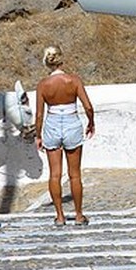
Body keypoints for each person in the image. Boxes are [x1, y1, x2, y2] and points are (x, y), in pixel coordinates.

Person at [34, 45, 95, 226]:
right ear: (61, 59)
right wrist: (91, 122)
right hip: (71, 121)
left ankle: (59, 215)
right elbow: (88, 106)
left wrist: (38, 135)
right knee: (74, 174)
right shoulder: (73, 80)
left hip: (52, 122)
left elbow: (39, 114)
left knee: (55, 174)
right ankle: (78, 214)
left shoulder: (43, 85)